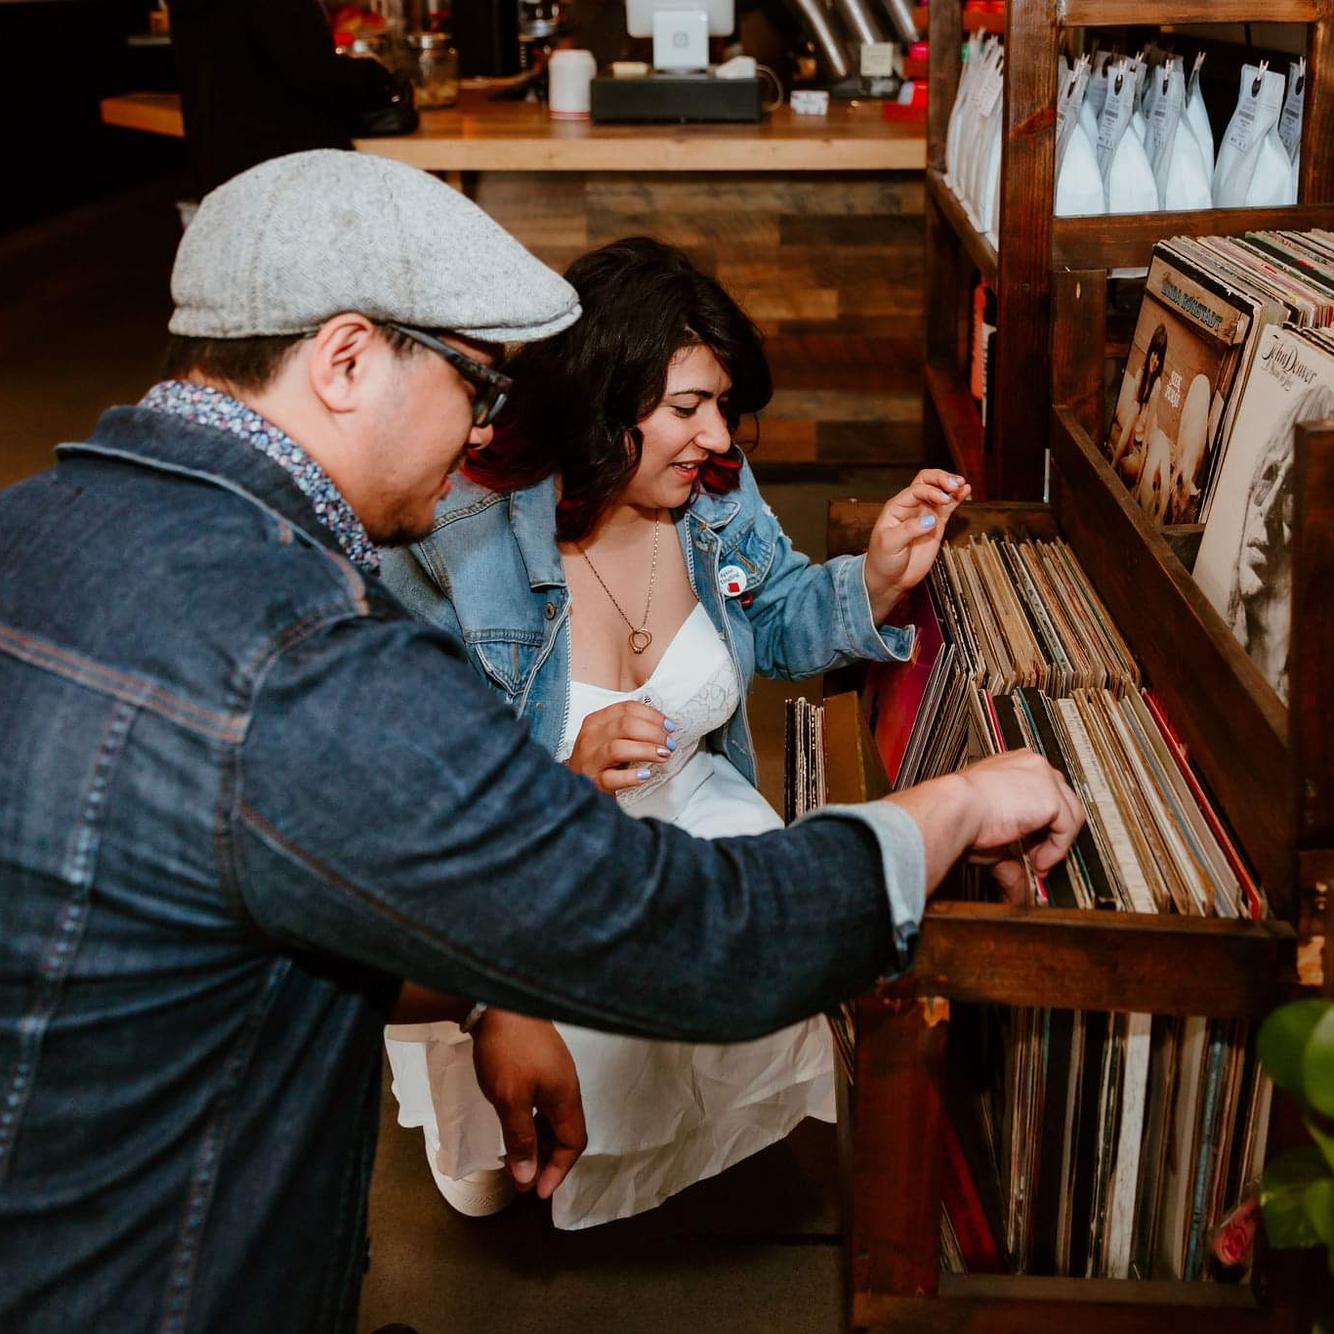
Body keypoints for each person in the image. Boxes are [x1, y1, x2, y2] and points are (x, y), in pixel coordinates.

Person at [0, 150, 1082, 1331]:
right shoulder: (311, 659)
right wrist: (955, 806)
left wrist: (480, 996)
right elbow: (687, 930)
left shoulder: (30, 527)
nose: (485, 422)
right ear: (346, 360)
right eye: (474, 379)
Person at [380, 236, 973, 1227]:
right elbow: (411, 787)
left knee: (782, 942)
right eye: (687, 407)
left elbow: (776, 615)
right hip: (518, 861)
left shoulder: (715, 492)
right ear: (598, 397)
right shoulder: (457, 532)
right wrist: (562, 779)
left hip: (691, 801)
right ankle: (483, 1092)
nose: (718, 438)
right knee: (501, 1165)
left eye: (723, 407)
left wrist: (873, 578)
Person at [1110, 322, 1168, 489]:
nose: (1155, 361)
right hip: (1134, 422)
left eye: (1159, 358)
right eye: (1154, 354)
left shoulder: (1157, 385)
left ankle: (1133, 477)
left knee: (1134, 468)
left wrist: (1138, 483)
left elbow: (1148, 428)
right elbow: (1133, 415)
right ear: (1150, 352)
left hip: (1146, 429)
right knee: (1132, 415)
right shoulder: (1140, 374)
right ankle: (1113, 465)